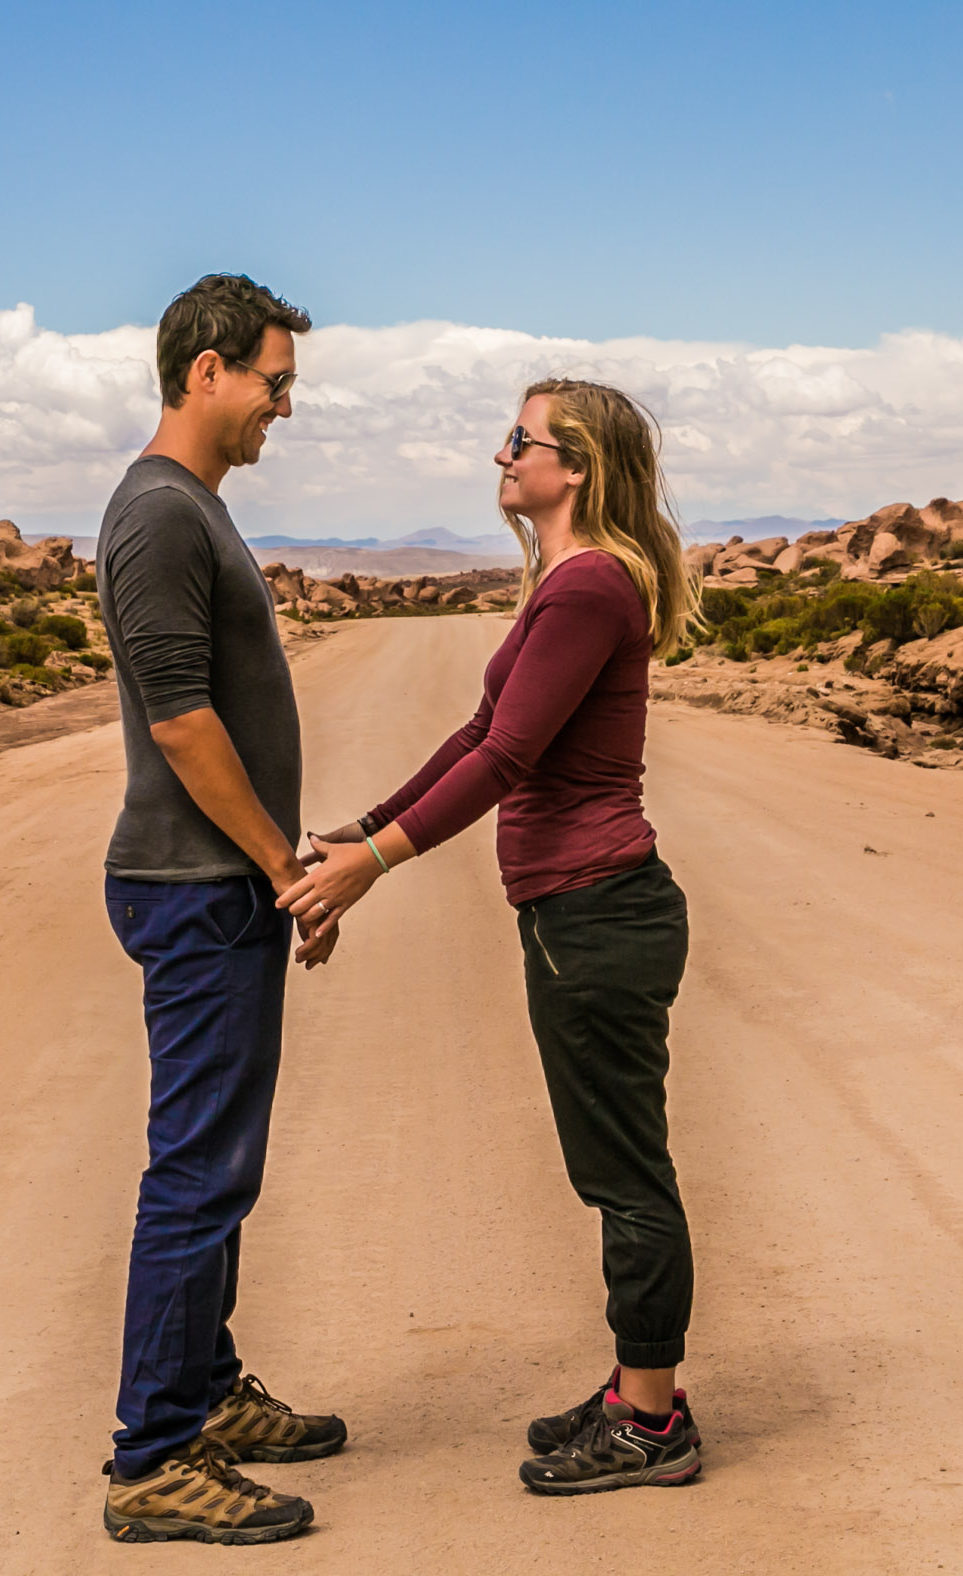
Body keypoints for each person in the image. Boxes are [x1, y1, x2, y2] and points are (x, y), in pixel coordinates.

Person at [281, 377, 705, 1496]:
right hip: (585, 909)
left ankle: (653, 1421)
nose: (501, 454)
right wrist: (362, 827)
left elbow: (506, 759)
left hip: (598, 911)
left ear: (577, 467)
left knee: (625, 1174)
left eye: (522, 440)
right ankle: (635, 1387)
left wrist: (373, 866)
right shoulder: (566, 583)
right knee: (611, 1162)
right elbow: (480, 730)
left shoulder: (588, 586)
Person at [94, 273, 347, 1547]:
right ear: (207, 369)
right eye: (273, 381)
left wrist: (276, 860)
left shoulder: (192, 508)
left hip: (221, 887)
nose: (281, 409)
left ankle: (206, 1390)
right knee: (196, 1168)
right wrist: (283, 865)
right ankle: (154, 1454)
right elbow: (183, 720)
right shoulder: (157, 515)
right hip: (195, 891)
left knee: (224, 1162)